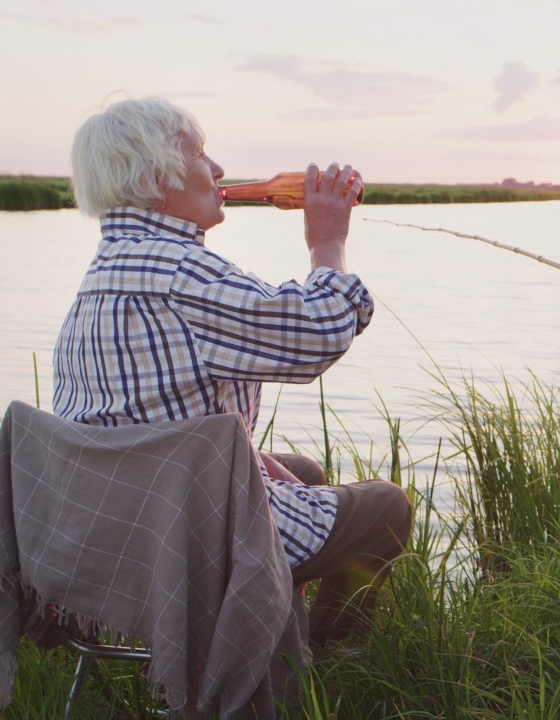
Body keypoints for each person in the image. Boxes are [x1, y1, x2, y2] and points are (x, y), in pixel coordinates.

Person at [55, 97, 411, 645]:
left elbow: (139, 418)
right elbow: (317, 331)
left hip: (112, 525)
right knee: (387, 507)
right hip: (182, 542)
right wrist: (328, 241)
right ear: (156, 176)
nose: (218, 170)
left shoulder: (105, 271)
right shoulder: (177, 270)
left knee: (306, 473)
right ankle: (324, 659)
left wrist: (242, 455)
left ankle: (271, 653)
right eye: (200, 153)